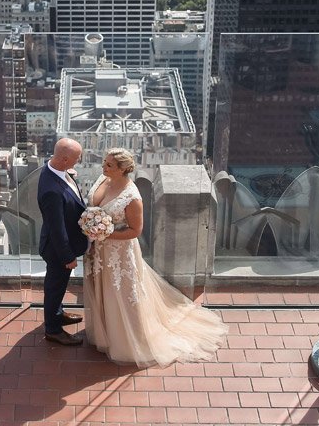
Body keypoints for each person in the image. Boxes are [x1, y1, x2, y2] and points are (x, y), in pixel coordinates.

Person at [84, 148, 228, 367]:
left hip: (119, 254)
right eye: (104, 163)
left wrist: (104, 233)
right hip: (98, 250)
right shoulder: (104, 179)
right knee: (101, 289)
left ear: (123, 170)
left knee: (121, 294)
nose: (103, 167)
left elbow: (135, 231)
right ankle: (104, 334)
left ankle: (126, 340)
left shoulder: (132, 198)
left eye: (109, 165)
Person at [36, 137, 88, 346]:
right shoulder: (51, 190)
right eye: (77, 157)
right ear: (65, 159)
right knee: (55, 287)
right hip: (57, 250)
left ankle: (57, 313)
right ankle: (53, 329)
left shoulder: (55, 170)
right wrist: (68, 256)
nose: (80, 160)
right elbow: (57, 229)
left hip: (60, 246)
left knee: (58, 285)